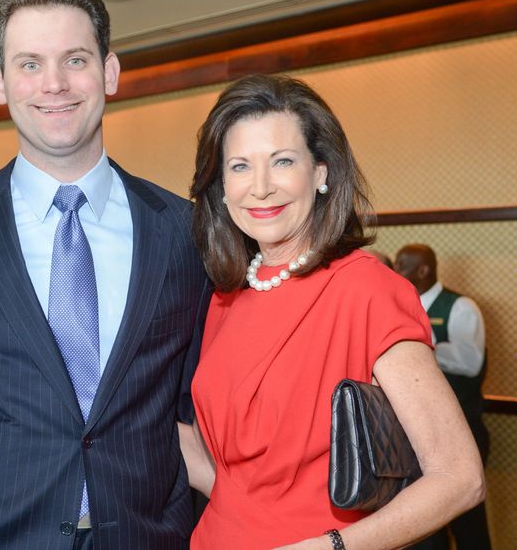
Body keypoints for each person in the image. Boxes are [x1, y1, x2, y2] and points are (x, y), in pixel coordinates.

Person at [0, 0, 211, 550]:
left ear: (109, 72)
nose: (56, 84)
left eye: (74, 59)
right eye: (30, 64)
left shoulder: (186, 232)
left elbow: (201, 406)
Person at [184, 74, 485, 549]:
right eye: (239, 167)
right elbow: (225, 478)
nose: (260, 188)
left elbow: (460, 477)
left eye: (282, 162)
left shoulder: (366, 289)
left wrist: (330, 547)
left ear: (321, 172)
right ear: (221, 186)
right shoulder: (225, 297)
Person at [395, 243, 492, 550]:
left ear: (423, 270)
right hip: (414, 433)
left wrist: (421, 340)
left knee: (468, 522)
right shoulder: (398, 303)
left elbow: (470, 360)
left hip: (463, 427)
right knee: (426, 526)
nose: (396, 273)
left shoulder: (459, 306)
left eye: (402, 266)